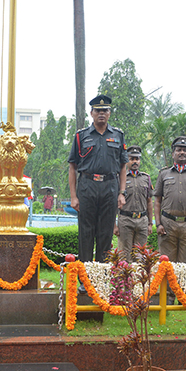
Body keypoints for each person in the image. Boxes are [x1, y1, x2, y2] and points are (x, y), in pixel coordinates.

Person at [68, 95, 128, 267]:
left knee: (106, 233)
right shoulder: (81, 136)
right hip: (87, 186)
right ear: (91, 113)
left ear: (109, 113)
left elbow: (123, 166)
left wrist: (122, 193)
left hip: (110, 187)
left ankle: (102, 276)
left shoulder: (118, 135)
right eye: (98, 110)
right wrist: (74, 196)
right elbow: (73, 167)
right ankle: (85, 279)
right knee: (86, 233)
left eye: (105, 110)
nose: (101, 113)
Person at [153, 136, 186, 303]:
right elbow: (157, 200)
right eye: (179, 150)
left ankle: (184, 296)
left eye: (185, 150)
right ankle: (168, 297)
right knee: (168, 263)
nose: (182, 152)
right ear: (173, 153)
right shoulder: (164, 173)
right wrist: (158, 223)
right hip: (168, 224)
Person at [113, 145, 152, 261]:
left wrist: (150, 223)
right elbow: (115, 202)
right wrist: (114, 225)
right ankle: (124, 279)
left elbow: (149, 201)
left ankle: (139, 279)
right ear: (127, 160)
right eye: (132, 159)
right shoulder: (120, 178)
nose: (135, 162)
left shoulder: (146, 178)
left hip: (142, 221)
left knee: (140, 256)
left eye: (137, 159)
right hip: (125, 220)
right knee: (124, 256)